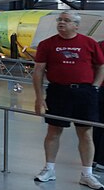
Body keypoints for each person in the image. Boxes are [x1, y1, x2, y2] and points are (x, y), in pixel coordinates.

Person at [34, 11, 104, 187]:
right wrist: (39, 97)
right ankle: (49, 169)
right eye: (60, 20)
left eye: (66, 20)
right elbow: (38, 71)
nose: (61, 23)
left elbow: (100, 65)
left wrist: (95, 87)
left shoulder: (89, 43)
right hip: (58, 92)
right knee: (53, 131)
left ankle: (87, 174)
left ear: (76, 25)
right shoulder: (47, 44)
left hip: (84, 93)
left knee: (85, 133)